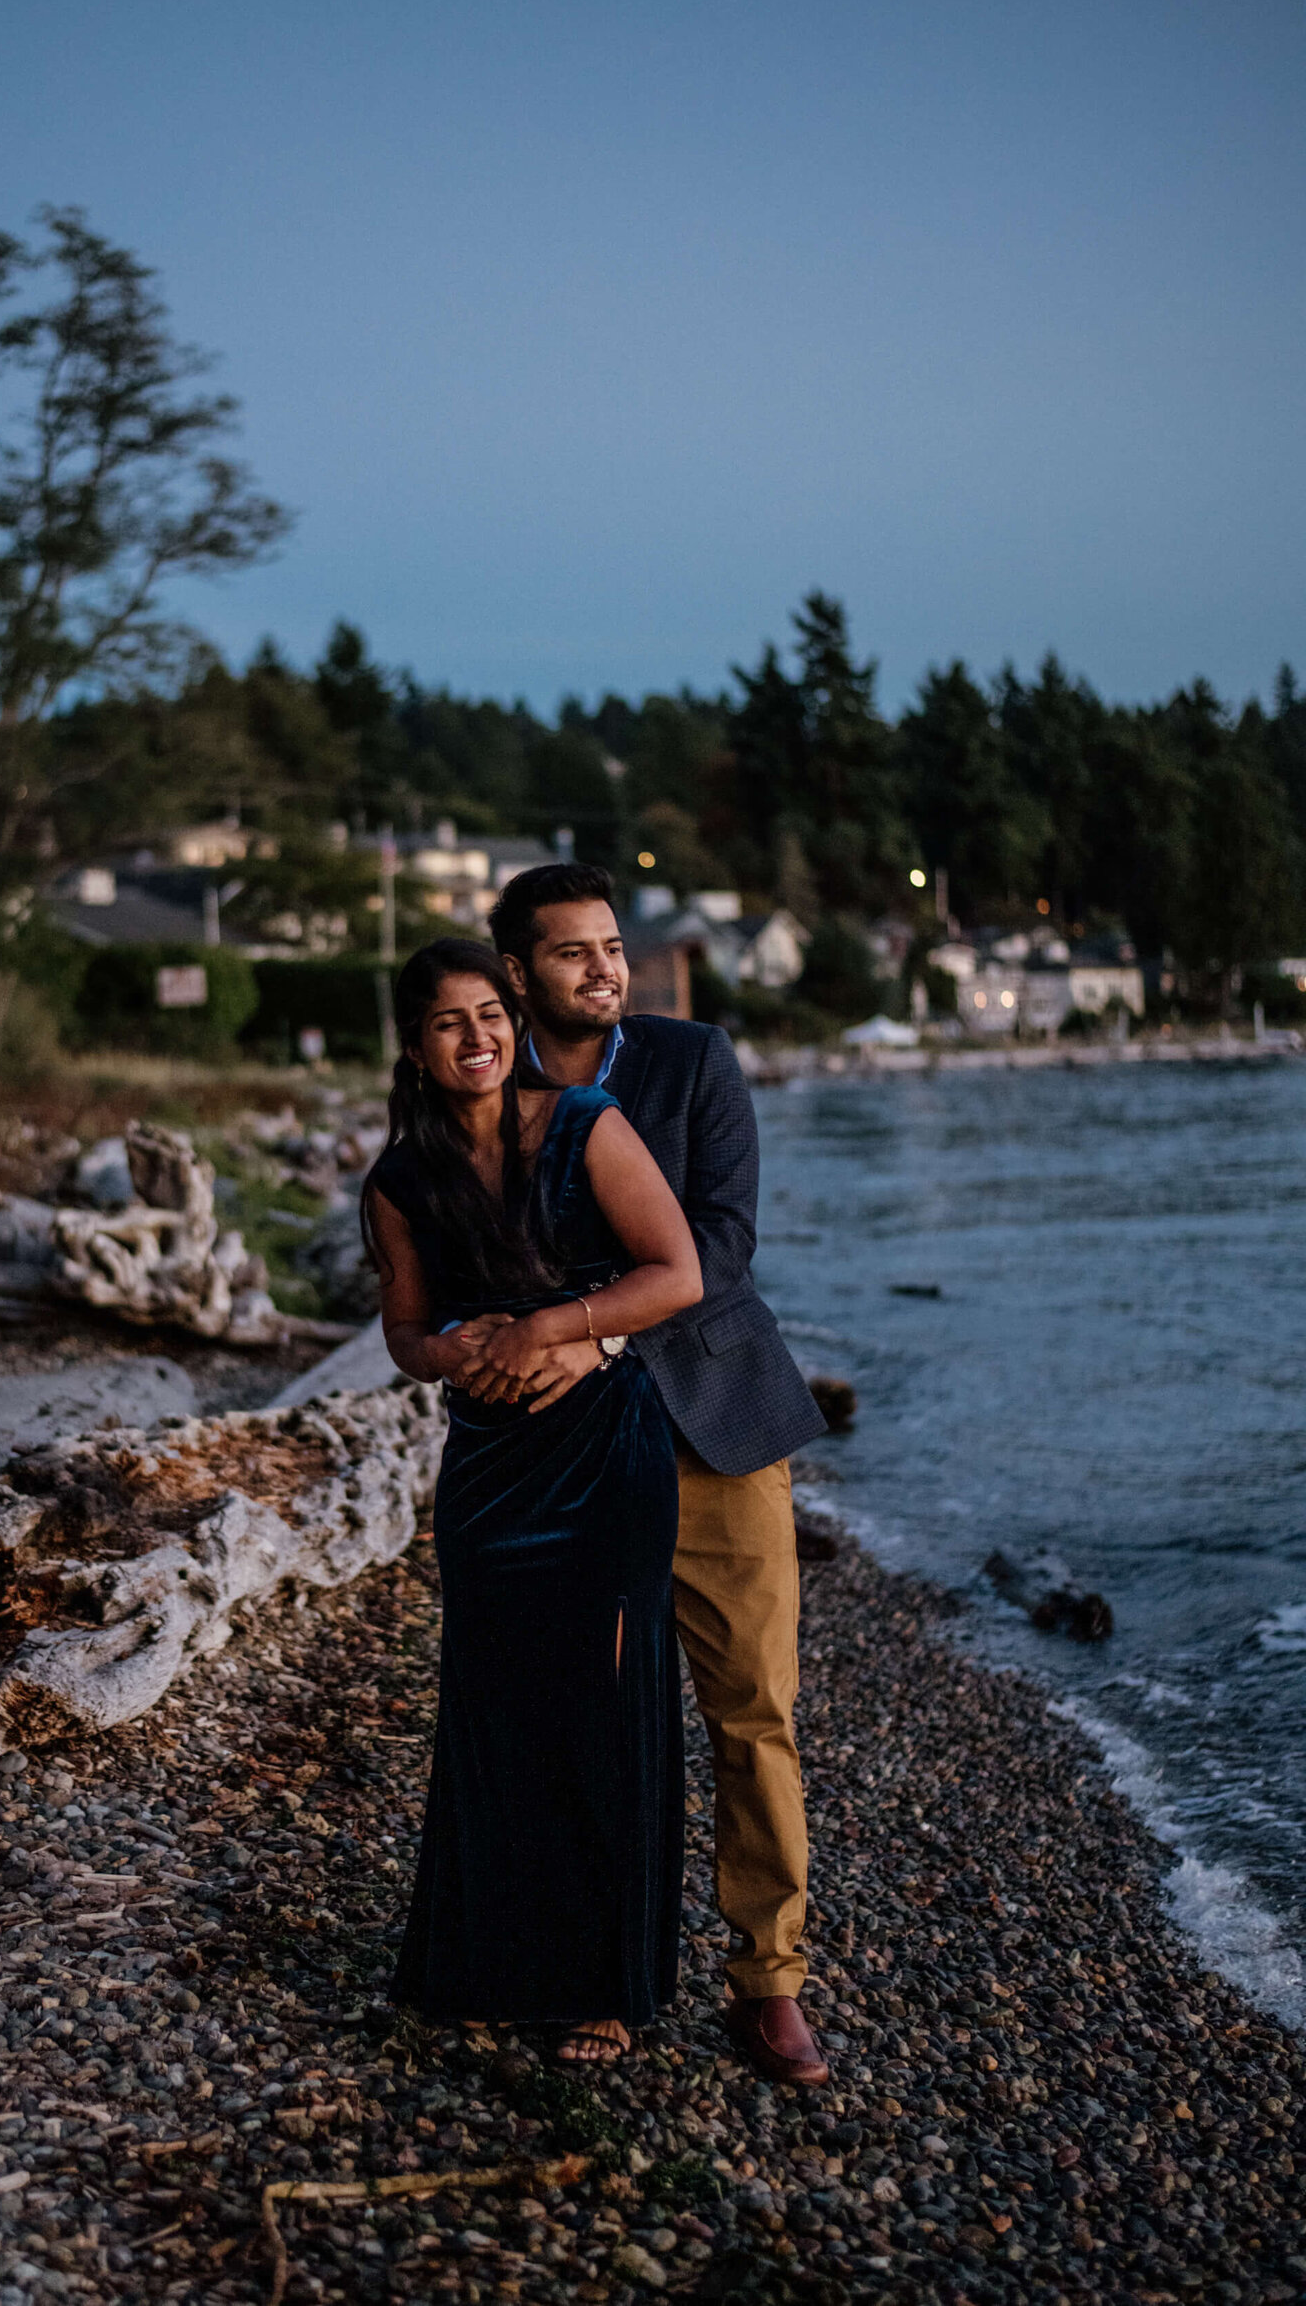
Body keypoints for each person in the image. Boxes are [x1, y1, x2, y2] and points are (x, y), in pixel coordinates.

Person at [475, 861, 833, 2088]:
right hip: (563, 1457)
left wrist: (589, 1331)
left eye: (612, 945)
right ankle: (602, 1970)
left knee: (754, 1711)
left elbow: (722, 1246)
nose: (605, 969)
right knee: (588, 1721)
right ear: (517, 972)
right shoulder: (489, 1084)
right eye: (573, 952)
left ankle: (769, 1979)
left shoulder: (694, 1063)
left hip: (717, 1429)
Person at [364, 937, 703, 2062]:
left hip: (606, 1449)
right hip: (490, 1470)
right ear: (415, 1044)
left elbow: (676, 1271)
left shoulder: (585, 1124)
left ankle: (605, 1980)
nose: (480, 1039)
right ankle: (492, 1963)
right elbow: (406, 1334)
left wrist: (556, 1329)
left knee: (606, 1703)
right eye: (451, 1022)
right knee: (499, 1713)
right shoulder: (400, 1180)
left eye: (493, 1016)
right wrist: (455, 1350)